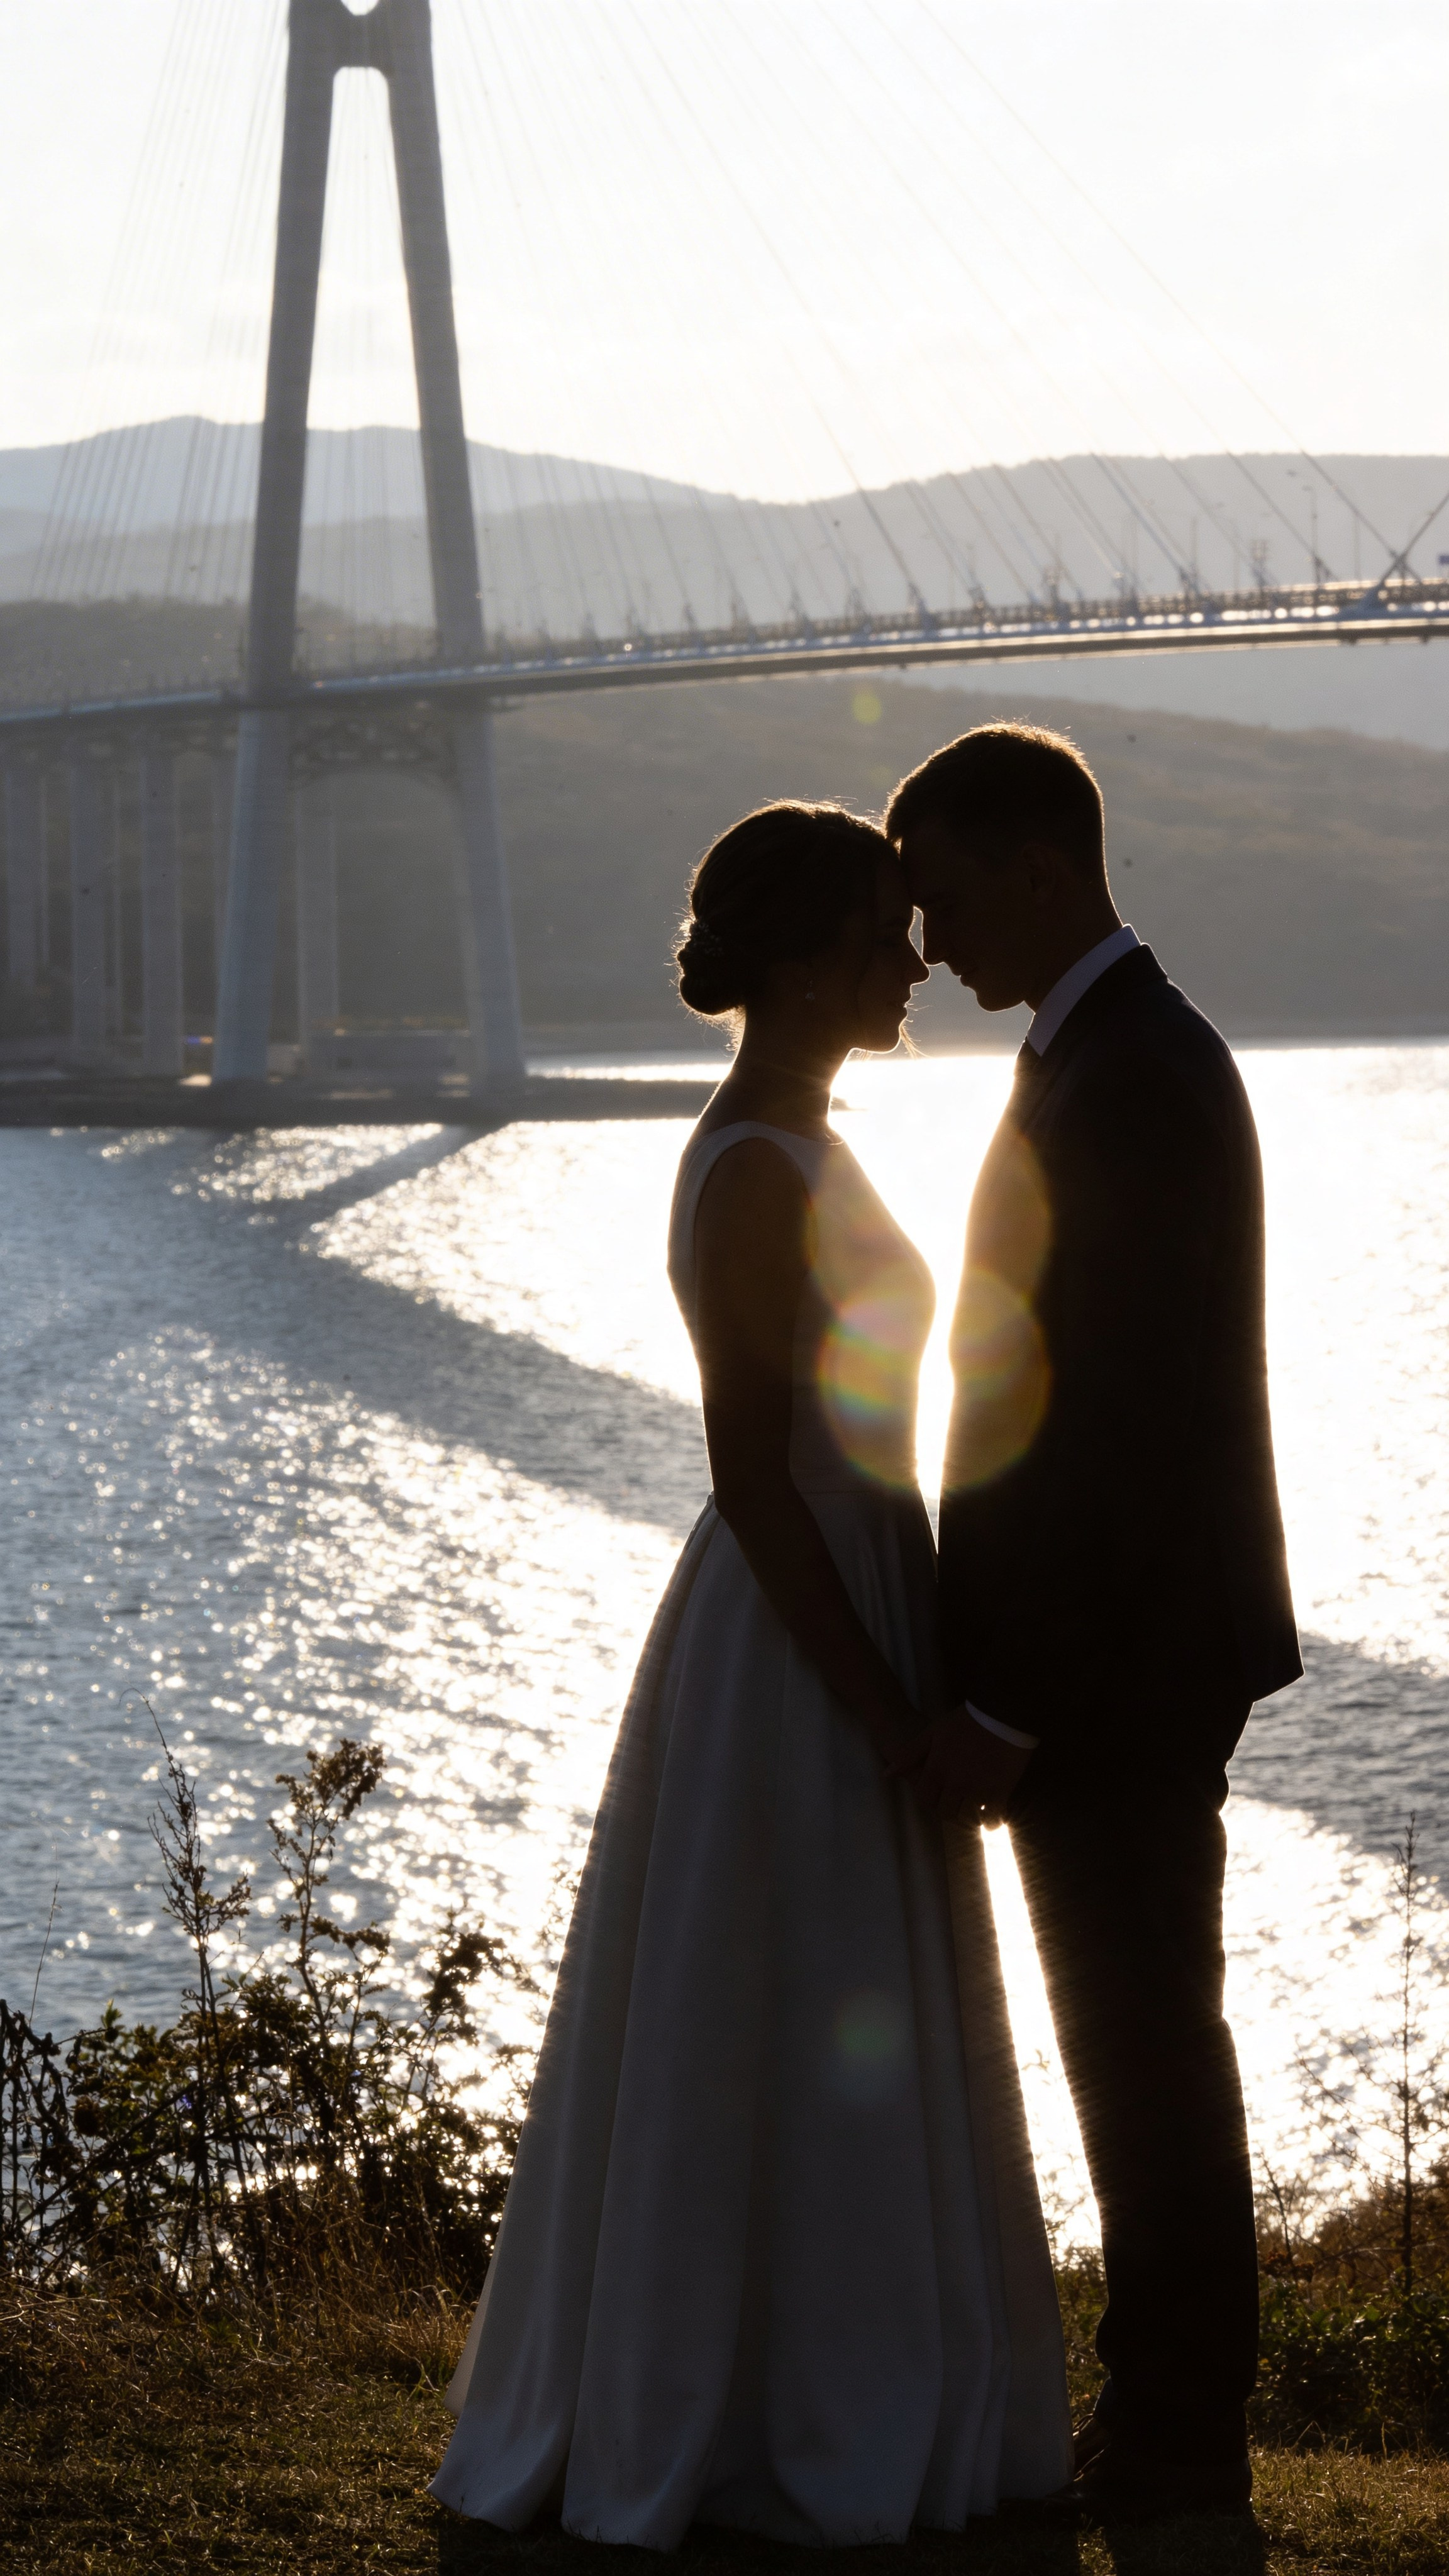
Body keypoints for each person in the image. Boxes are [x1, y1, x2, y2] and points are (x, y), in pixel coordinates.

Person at [432, 801, 1071, 2545]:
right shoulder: (747, 1169)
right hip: (799, 1623)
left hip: (873, 1580)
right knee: (768, 2003)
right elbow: (747, 1471)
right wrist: (881, 1704)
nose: (915, 955)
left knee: (841, 1998)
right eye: (881, 929)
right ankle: (742, 2404)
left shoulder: (812, 1134)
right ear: (796, 961)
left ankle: (841, 2368)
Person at [889, 723, 1301, 2521]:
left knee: (1146, 2054)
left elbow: (1111, 1431)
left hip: (1119, 1674)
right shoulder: (1113, 1053)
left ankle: (1181, 2438)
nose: (925, 942)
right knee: (1137, 2044)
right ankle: (1162, 2421)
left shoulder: (1130, 1073)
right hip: (1127, 1660)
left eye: (946, 894)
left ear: (1041, 870)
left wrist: (1016, 1698)